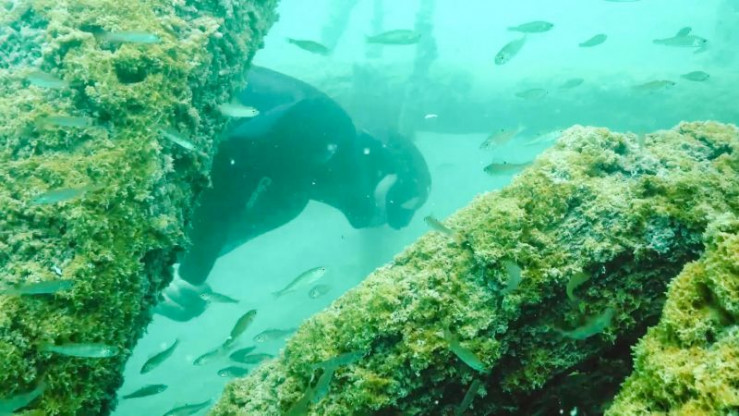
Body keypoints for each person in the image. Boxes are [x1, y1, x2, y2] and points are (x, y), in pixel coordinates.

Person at [155, 67, 431, 321]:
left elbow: (216, 216)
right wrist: (192, 273)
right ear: (386, 175)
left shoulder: (287, 201)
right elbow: (234, 160)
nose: (378, 222)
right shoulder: (329, 123)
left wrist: (172, 282)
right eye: (389, 208)